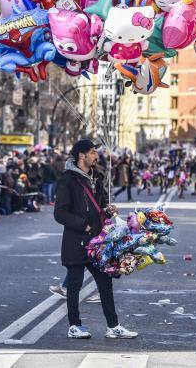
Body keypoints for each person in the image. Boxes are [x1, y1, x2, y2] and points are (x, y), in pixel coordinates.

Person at [54, 138, 137, 340]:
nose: (95, 155)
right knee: (74, 285)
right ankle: (74, 326)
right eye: (92, 152)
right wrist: (84, 224)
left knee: (105, 283)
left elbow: (100, 204)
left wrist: (109, 210)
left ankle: (113, 326)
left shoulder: (96, 178)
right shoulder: (68, 180)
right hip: (77, 241)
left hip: (97, 242)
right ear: (81, 155)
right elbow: (60, 213)